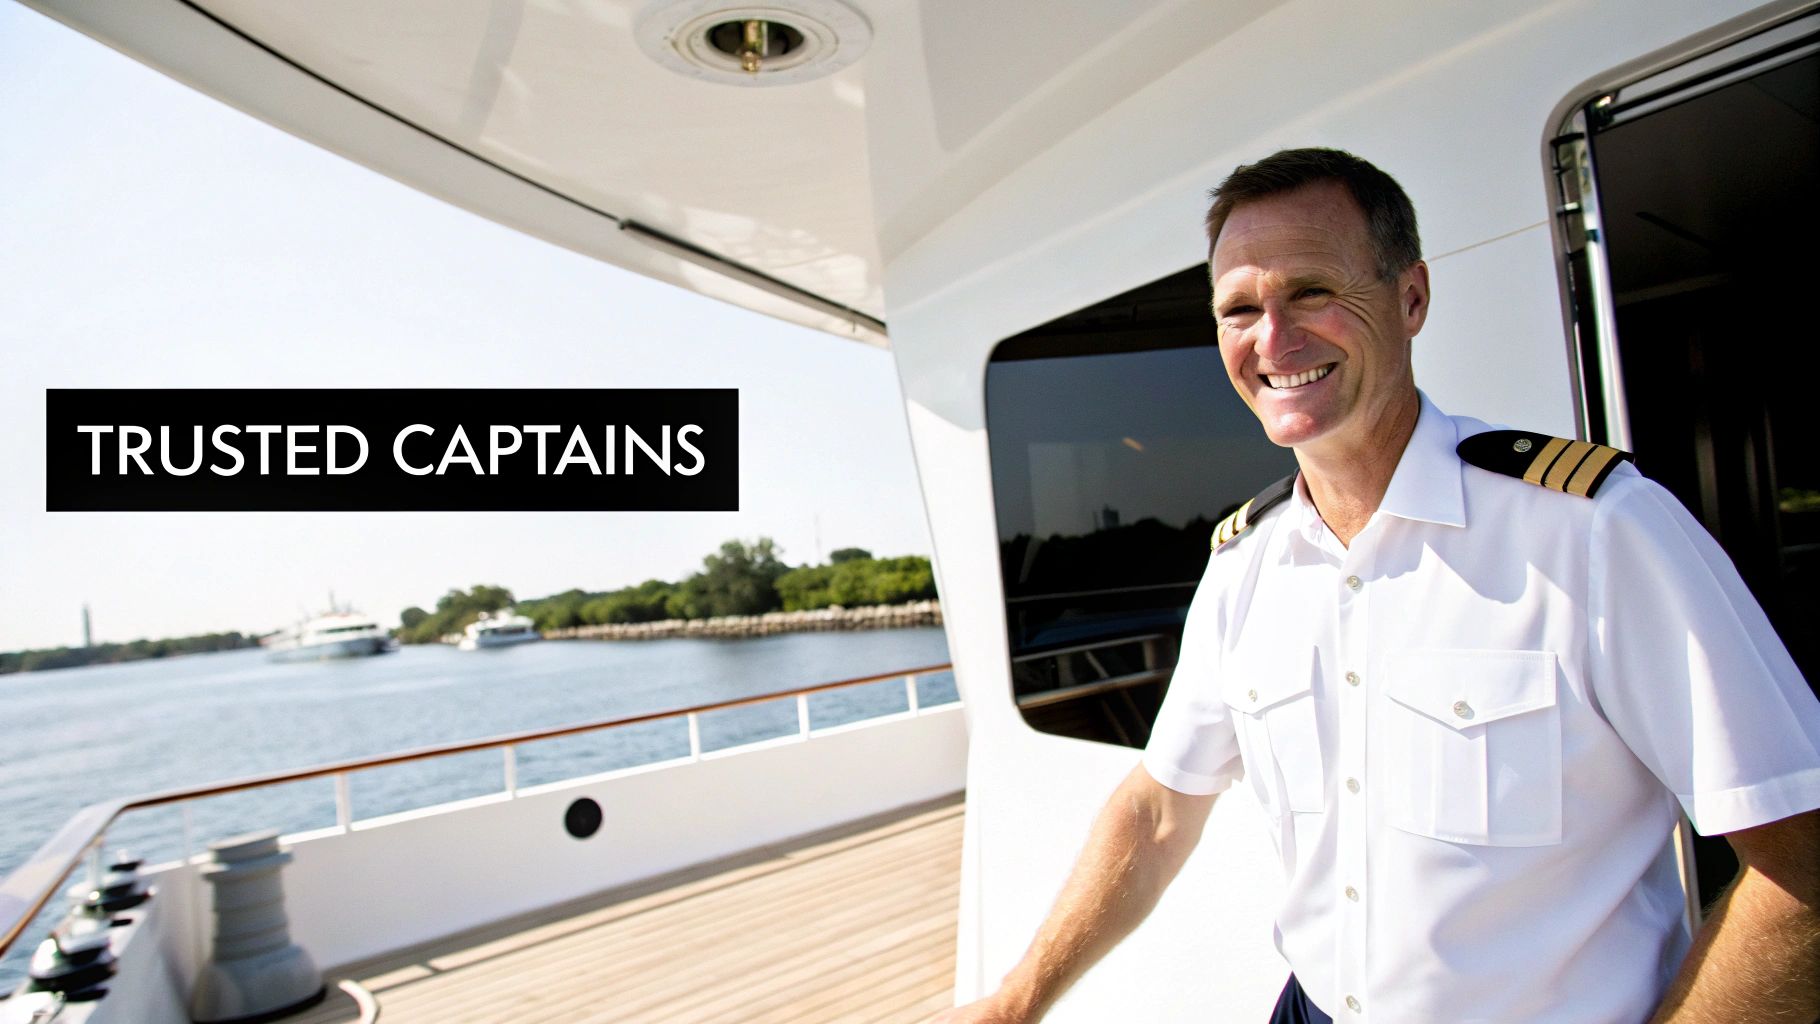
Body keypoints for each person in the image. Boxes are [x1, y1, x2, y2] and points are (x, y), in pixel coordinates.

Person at [932, 148, 1820, 1023]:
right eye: (1239, 309)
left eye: (1311, 291)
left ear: (1411, 297)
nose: (1272, 340)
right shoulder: (1246, 568)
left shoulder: (1594, 530)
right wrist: (1016, 1002)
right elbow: (1160, 808)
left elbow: (1803, 861)